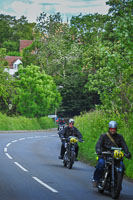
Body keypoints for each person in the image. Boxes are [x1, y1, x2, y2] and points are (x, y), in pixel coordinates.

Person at [92, 121, 131, 187]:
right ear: (109, 128)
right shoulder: (103, 136)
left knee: (122, 166)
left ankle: (118, 184)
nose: (113, 130)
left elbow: (124, 146)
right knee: (101, 164)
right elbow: (98, 144)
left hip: (116, 157)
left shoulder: (120, 137)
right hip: (105, 155)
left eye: (114, 129)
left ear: (116, 129)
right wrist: (98, 150)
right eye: (111, 128)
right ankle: (96, 179)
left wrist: (127, 153)